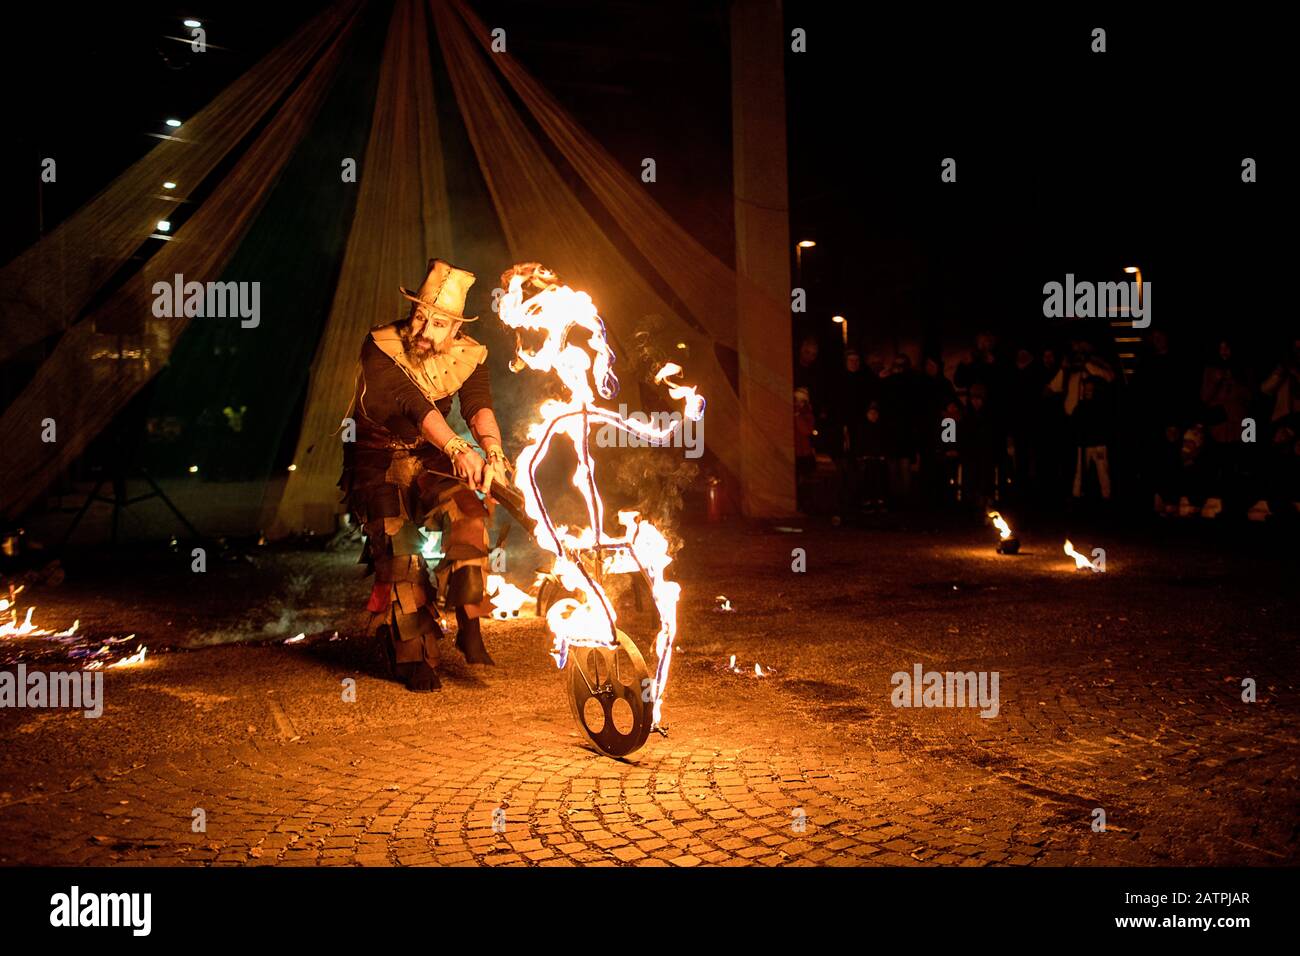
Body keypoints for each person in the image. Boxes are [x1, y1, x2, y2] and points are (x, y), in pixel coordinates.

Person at [338, 259, 510, 691]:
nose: (423, 331)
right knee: (401, 553)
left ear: (455, 330)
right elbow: (413, 403)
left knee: (470, 512)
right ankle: (415, 658)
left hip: (428, 458)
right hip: (377, 459)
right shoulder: (380, 347)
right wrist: (457, 448)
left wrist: (492, 450)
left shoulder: (469, 354)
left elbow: (477, 403)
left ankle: (470, 620)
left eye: (437, 324)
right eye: (419, 317)